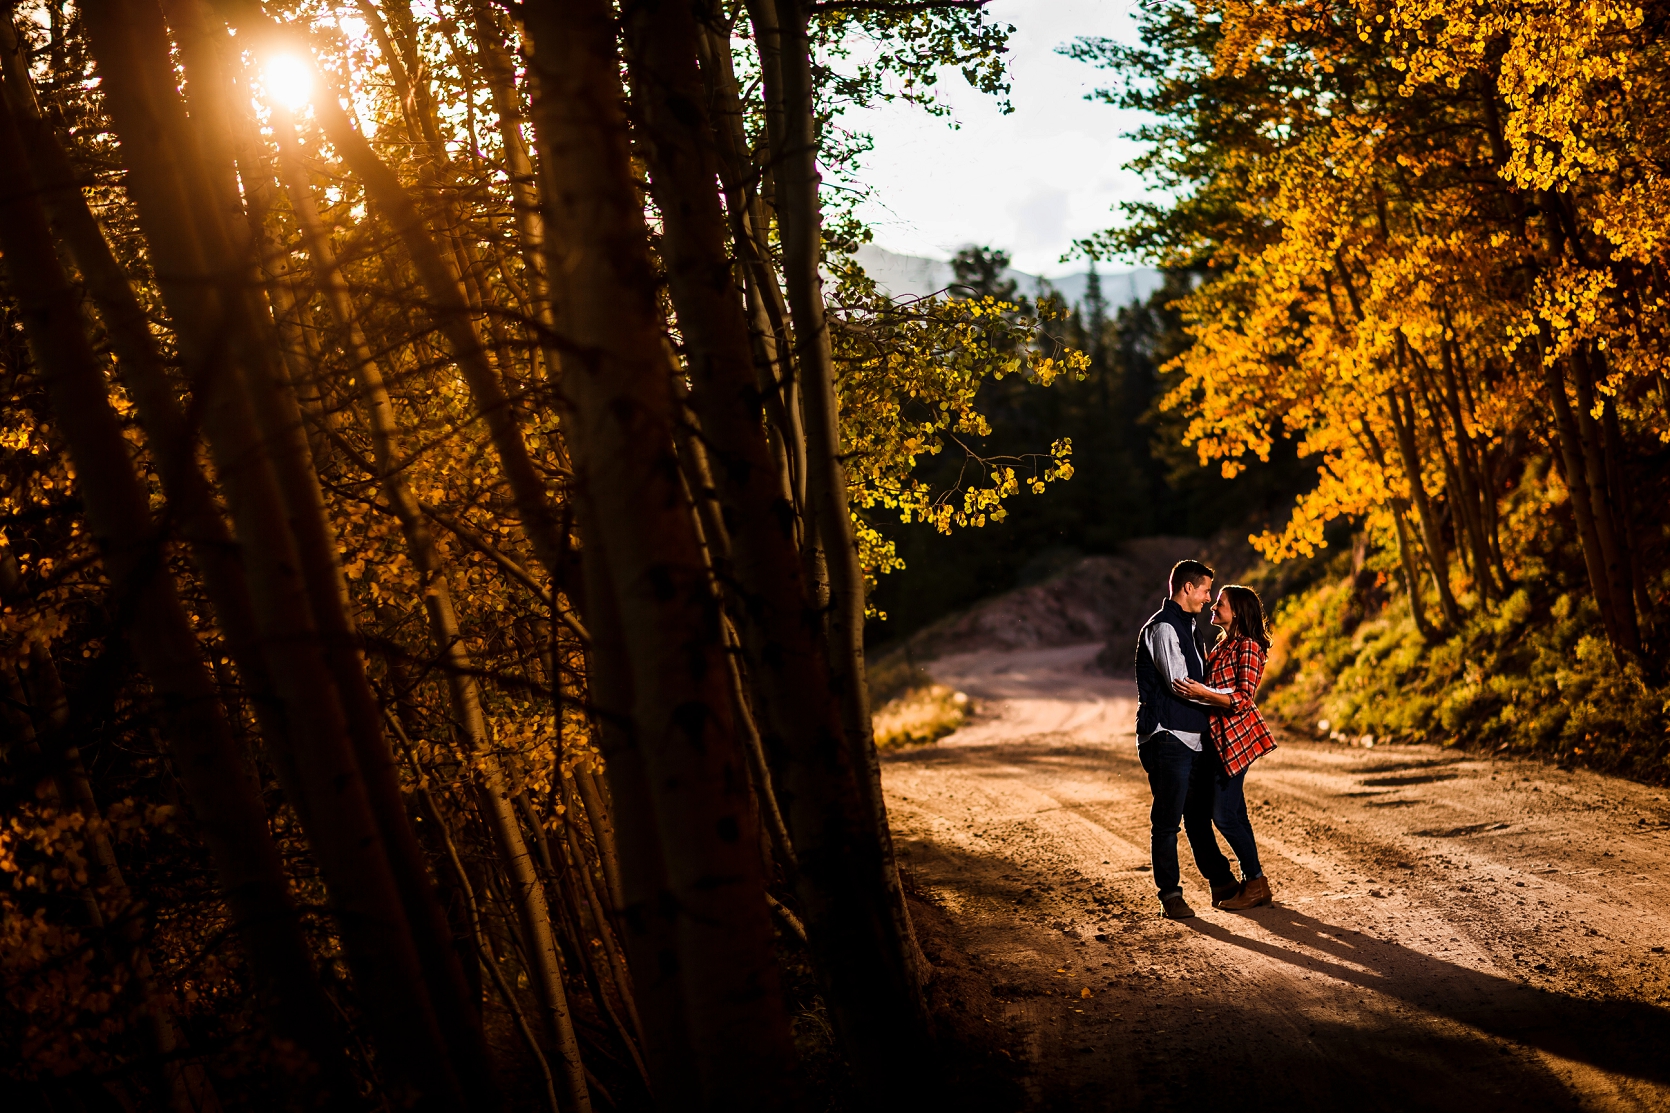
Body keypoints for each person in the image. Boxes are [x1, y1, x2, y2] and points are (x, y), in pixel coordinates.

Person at [1133, 559, 1243, 920]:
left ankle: (1222, 883)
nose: (1209, 598)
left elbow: (1197, 683)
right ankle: (1170, 894)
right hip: (1166, 736)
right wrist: (1226, 698)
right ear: (1187, 588)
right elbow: (1182, 685)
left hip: (1191, 738)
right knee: (1167, 821)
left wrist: (1217, 696)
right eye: (1206, 590)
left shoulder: (1189, 627)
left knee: (1197, 817)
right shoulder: (1164, 628)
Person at [1173, 584, 1278, 910]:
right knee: (1237, 814)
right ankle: (1253, 883)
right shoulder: (1224, 644)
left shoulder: (1248, 647)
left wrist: (1203, 694)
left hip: (1235, 740)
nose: (1214, 607)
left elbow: (1244, 698)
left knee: (1223, 816)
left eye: (1221, 604)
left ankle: (1256, 881)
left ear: (1239, 612)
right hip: (1217, 741)